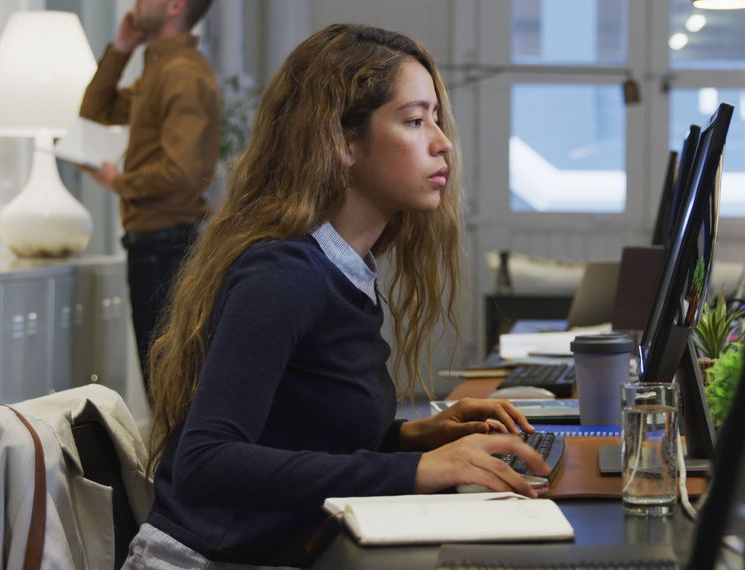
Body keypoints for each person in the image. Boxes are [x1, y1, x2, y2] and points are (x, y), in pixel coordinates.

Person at [120, 24, 550, 568]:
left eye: (436, 120)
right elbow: (207, 462)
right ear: (343, 142)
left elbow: (296, 430)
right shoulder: (284, 273)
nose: (442, 143)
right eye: (416, 121)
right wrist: (418, 470)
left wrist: (411, 438)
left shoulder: (345, 270)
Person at [79, 0, 220, 400]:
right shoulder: (161, 69)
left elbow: (184, 173)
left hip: (166, 247)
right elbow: (96, 110)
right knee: (162, 378)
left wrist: (119, 181)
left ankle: (177, 464)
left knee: (167, 382)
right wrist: (121, 47)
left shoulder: (181, 73)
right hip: (156, 245)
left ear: (175, 6)